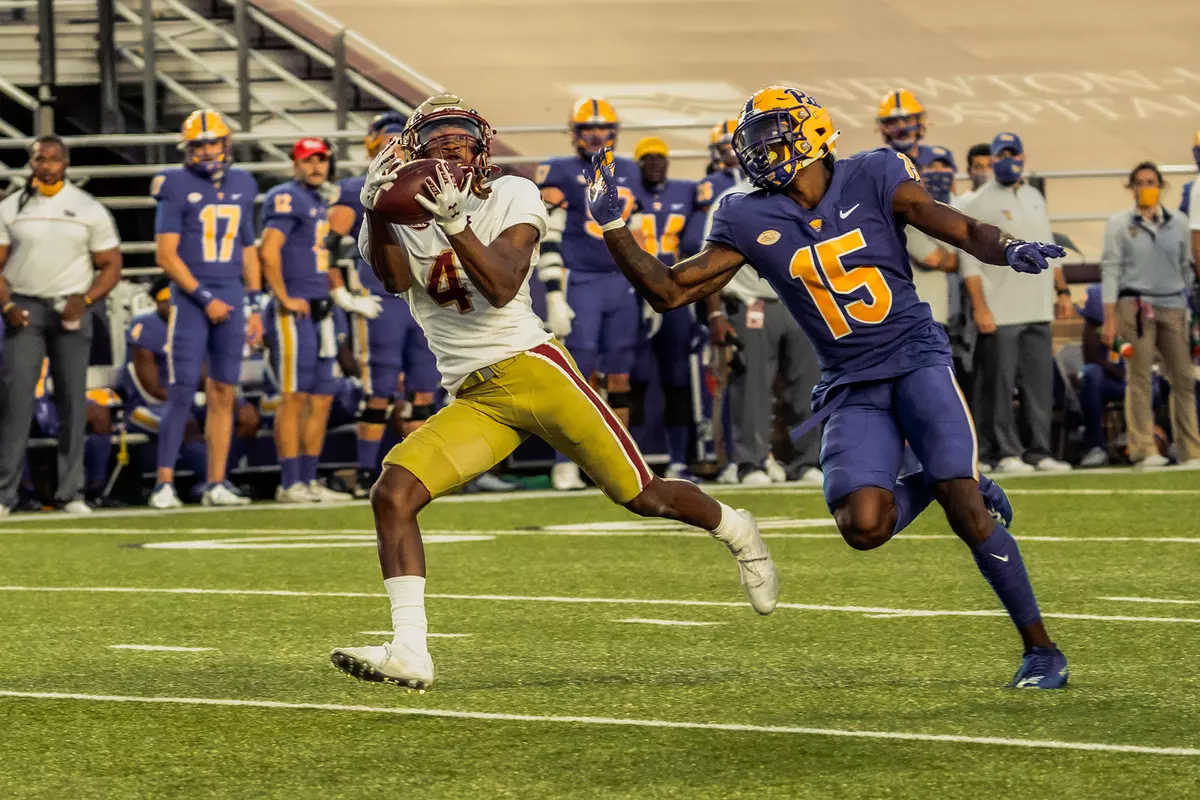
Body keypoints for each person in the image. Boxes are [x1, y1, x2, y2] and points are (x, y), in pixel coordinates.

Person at [588, 86, 1068, 689]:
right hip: (849, 381)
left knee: (967, 512)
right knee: (863, 527)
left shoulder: (876, 172)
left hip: (915, 357)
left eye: (772, 138)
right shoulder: (745, 213)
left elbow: (960, 227)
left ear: (813, 135)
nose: (759, 152)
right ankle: (939, 479)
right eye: (754, 141)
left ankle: (1041, 650)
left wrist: (1009, 246)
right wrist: (614, 226)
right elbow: (670, 290)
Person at [331, 94, 778, 690]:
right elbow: (392, 281)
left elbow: (500, 284)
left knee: (643, 495)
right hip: (476, 397)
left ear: (482, 150)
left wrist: (456, 222)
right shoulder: (398, 217)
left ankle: (737, 529)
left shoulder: (513, 192)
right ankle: (411, 649)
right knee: (393, 494)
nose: (452, 153)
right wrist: (377, 211)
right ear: (414, 155)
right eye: (438, 144)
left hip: (535, 371)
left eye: (462, 142)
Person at [0, 135, 122, 517]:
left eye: (54, 159)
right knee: (16, 400)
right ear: (31, 163)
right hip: (25, 307)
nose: (47, 166)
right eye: (40, 159)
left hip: (71, 307)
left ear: (66, 163)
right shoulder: (11, 207)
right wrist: (6, 304)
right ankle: (4, 495)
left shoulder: (88, 208)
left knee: (72, 401)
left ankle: (72, 493)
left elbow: (111, 264)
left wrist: (86, 299)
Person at [149, 109, 261, 508]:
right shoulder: (174, 183)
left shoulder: (243, 182)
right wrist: (205, 297)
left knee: (225, 389)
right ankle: (164, 483)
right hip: (191, 297)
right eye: (199, 145)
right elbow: (166, 255)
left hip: (231, 293)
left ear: (226, 143)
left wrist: (255, 303)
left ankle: (216, 482)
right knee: (181, 389)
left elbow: (248, 248)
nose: (207, 150)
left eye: (213, 142)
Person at [329, 113, 440, 497]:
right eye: (385, 141)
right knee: (378, 393)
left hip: (420, 299)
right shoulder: (353, 188)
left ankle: (421, 475)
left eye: (399, 140)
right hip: (378, 300)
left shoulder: (427, 181)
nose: (394, 149)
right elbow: (327, 244)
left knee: (423, 393)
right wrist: (340, 291)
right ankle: (365, 474)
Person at [536, 97, 640, 491]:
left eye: (603, 128)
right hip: (580, 281)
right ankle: (566, 462)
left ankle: (619, 461)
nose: (596, 135)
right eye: (588, 129)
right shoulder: (560, 171)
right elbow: (547, 234)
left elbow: (639, 233)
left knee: (621, 377)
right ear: (574, 133)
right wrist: (553, 292)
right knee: (580, 376)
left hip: (622, 282)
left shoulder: (630, 170)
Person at [958, 133, 1074, 473]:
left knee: (1039, 385)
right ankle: (1006, 451)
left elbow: (1049, 246)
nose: (1009, 160)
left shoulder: (1035, 195)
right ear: (994, 159)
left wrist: (1062, 291)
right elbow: (969, 261)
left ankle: (1040, 450)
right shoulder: (977, 201)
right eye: (1002, 155)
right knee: (1001, 385)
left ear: (1023, 157)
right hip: (1001, 309)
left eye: (1014, 154)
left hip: (1037, 307)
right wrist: (981, 306)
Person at [261, 138, 353, 503]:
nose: (316, 166)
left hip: (321, 310)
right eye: (308, 160)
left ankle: (309, 478)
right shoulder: (286, 196)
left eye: (321, 160)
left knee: (321, 398)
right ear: (295, 164)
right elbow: (268, 250)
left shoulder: (318, 200)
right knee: (294, 397)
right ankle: (290, 482)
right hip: (293, 311)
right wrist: (283, 296)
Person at [1099, 162, 1200, 468]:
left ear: (1161, 186)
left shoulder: (1178, 222)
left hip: (1173, 304)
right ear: (1131, 188)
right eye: (1140, 182)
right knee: (1140, 377)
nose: (1146, 187)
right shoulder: (1119, 224)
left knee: (1183, 377)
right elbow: (1111, 270)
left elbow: (1186, 266)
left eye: (1151, 181)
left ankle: (1191, 450)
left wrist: (1187, 305)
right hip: (1135, 305)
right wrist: (1110, 316)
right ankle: (1144, 448)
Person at [628, 137, 701, 480]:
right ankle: (631, 458)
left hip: (673, 293)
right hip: (633, 295)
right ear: (638, 164)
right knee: (634, 378)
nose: (655, 164)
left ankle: (679, 458)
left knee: (677, 377)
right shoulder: (627, 193)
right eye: (647, 159)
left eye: (660, 158)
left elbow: (695, 243)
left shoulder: (688, 192)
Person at [1075, 285, 1128, 468]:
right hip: (1111, 381)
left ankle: (1171, 441)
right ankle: (1095, 446)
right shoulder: (1099, 297)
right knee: (1091, 375)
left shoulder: (1143, 297)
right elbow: (1091, 357)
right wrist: (1121, 373)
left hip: (1142, 379)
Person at [874, 89, 951, 169]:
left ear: (920, 122)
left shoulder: (939, 159)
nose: (902, 127)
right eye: (893, 122)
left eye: (907, 120)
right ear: (883, 127)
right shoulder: (875, 162)